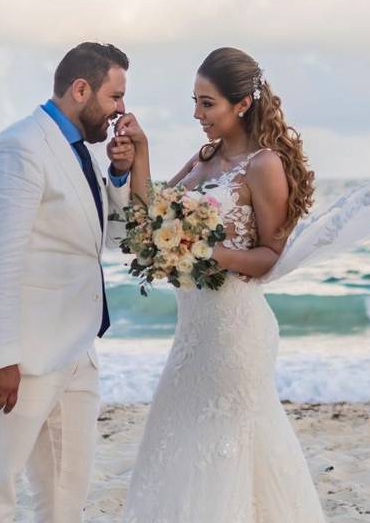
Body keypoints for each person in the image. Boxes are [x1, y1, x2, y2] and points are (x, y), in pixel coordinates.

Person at [117, 46, 327, 521]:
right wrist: (142, 152)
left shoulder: (264, 165)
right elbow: (151, 215)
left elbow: (271, 254)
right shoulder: (205, 156)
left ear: (242, 104)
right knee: (179, 444)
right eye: (195, 101)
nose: (197, 113)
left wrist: (206, 252)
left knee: (222, 454)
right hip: (193, 331)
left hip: (235, 330)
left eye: (207, 103)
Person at [0, 42, 139, 522]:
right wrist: (1, 358)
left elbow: (112, 240)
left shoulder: (79, 152)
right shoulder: (20, 147)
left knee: (65, 494)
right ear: (81, 89)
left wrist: (120, 173)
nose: (121, 110)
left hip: (76, 349)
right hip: (21, 359)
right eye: (115, 97)